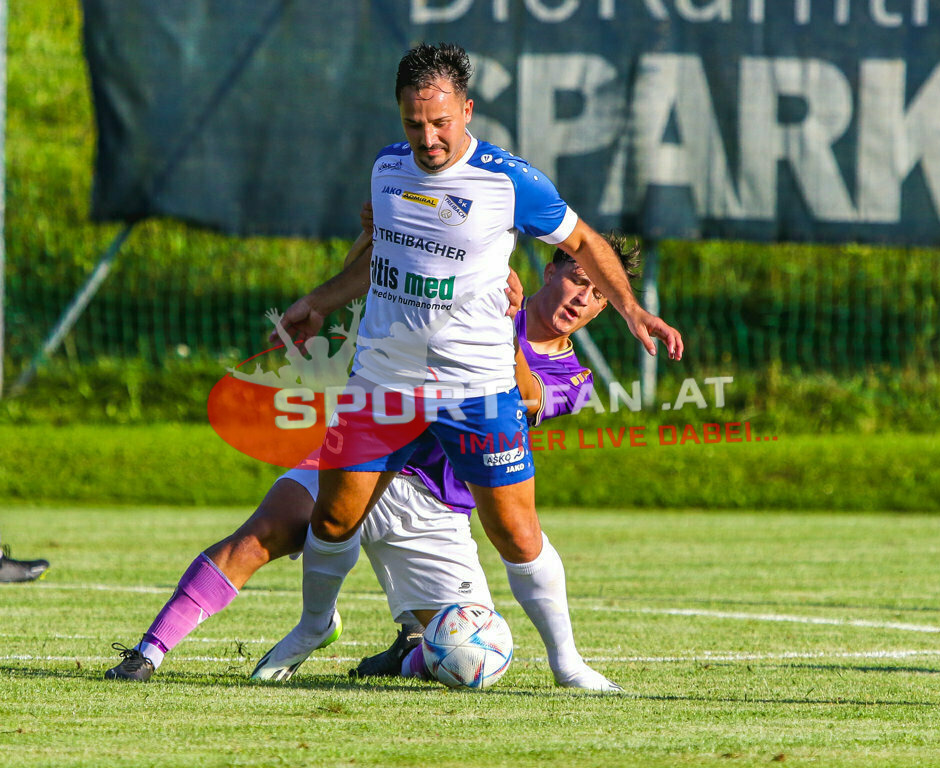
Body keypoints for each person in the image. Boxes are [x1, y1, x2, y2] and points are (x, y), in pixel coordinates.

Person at [252, 42, 681, 688]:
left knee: (513, 528)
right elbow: (378, 261)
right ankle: (315, 624)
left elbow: (585, 242)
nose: (427, 138)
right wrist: (319, 300)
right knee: (336, 517)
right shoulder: (388, 168)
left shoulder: (511, 182)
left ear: (467, 110)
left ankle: (568, 663)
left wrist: (630, 311)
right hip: (383, 381)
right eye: (413, 123)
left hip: (476, 389)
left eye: (440, 122)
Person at [105, 234, 638, 692]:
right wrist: (370, 235)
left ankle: (406, 655)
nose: (582, 297)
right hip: (367, 457)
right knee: (260, 535)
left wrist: (502, 324)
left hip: (436, 507)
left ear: (603, 309)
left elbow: (523, 397)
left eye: (597, 295)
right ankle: (147, 653)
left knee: (471, 654)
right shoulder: (481, 283)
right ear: (552, 270)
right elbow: (390, 272)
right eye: (578, 278)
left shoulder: (575, 377)